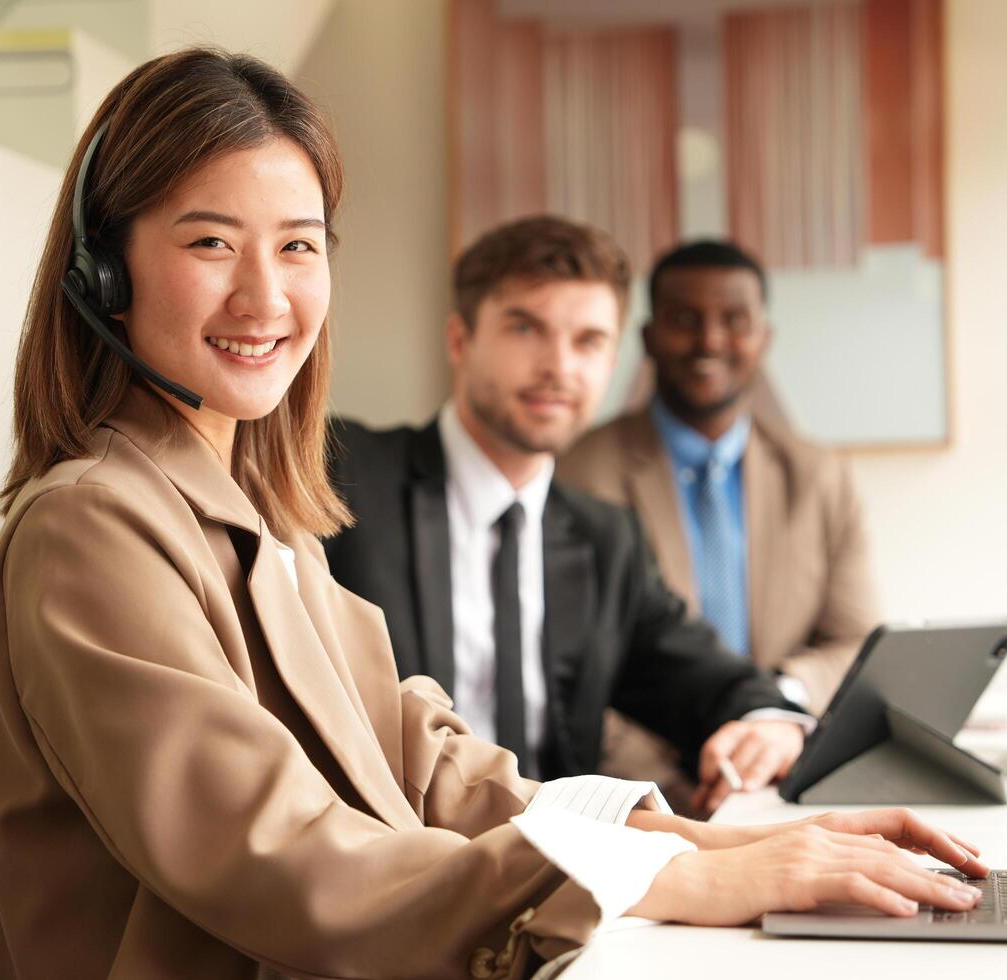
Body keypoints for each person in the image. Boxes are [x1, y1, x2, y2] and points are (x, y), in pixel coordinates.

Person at [0, 49, 987, 980]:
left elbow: (426, 758)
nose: (265, 295)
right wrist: (666, 881)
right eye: (212, 242)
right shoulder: (91, 524)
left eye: (298, 246)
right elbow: (275, 850)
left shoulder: (263, 517)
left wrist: (726, 846)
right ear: (103, 275)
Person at [326, 217, 807, 817]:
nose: (559, 367)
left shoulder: (607, 539)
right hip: (378, 860)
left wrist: (771, 724)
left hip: (554, 875)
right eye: (526, 329)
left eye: (588, 341)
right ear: (459, 340)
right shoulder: (342, 475)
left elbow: (708, 680)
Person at [560, 240, 880, 715]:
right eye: (685, 320)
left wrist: (770, 709)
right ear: (648, 338)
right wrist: (666, 783)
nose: (710, 340)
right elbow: (571, 669)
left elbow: (857, 644)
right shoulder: (578, 474)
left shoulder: (820, 477)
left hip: (783, 757)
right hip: (638, 776)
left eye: (735, 320)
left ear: (764, 337)